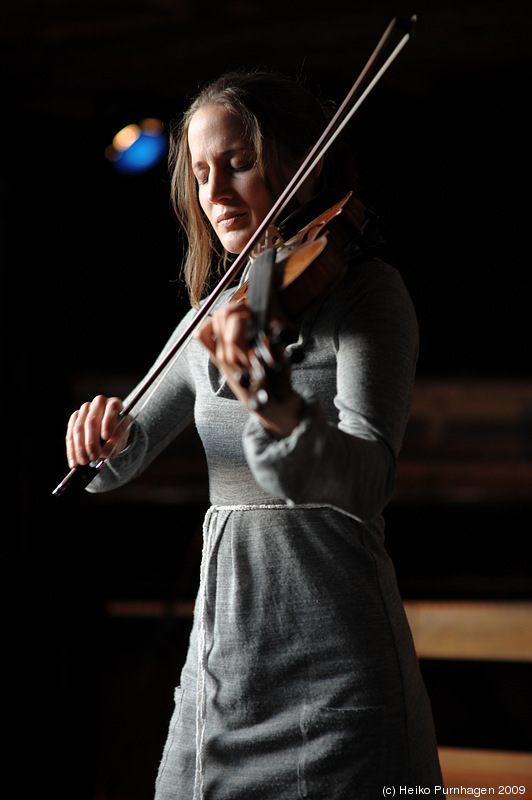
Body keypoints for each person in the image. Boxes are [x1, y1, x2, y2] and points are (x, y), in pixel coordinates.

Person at [65, 70, 443, 798]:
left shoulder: (366, 295)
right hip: (224, 663)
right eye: (203, 174)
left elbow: (366, 483)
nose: (217, 192)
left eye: (238, 163)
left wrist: (273, 403)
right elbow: (127, 448)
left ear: (299, 159)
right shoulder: (218, 311)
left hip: (338, 668)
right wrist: (101, 439)